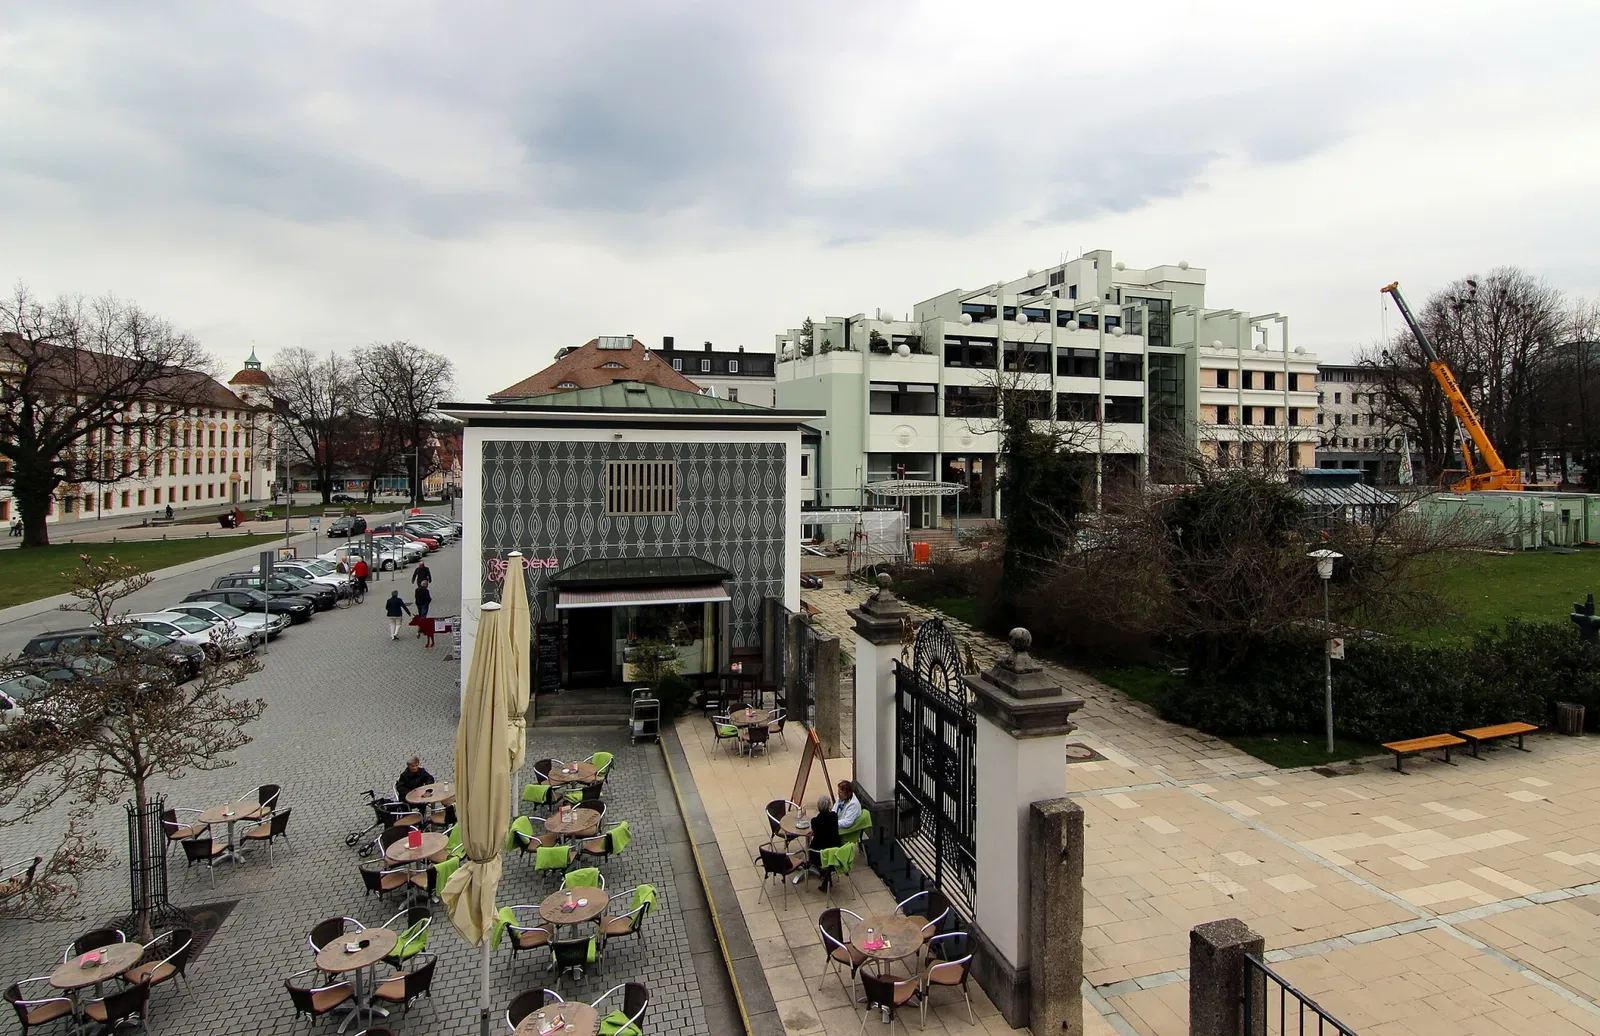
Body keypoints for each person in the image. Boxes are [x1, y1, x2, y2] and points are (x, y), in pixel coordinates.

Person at [796, 793, 842, 890]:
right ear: (829, 805)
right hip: (835, 851)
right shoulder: (834, 817)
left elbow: (814, 832)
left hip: (819, 854)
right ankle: (827, 872)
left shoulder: (815, 821)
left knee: (811, 847)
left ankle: (821, 870)